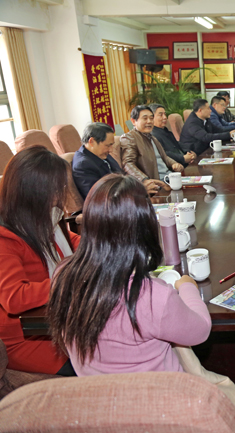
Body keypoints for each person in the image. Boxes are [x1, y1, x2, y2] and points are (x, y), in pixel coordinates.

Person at [48, 174, 210, 375]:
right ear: (146, 226)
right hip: (161, 392)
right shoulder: (152, 296)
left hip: (96, 393)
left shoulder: (62, 276)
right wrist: (188, 287)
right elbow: (201, 330)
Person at [0, 146, 80, 375]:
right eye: (56, 188)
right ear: (34, 192)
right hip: (29, 338)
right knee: (99, 362)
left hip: (58, 320)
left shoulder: (45, 218)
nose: (60, 194)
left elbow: (72, 242)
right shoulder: (5, 237)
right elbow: (14, 297)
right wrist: (68, 280)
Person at [73, 123, 163, 200]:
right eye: (108, 145)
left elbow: (121, 176)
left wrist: (142, 183)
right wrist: (139, 191)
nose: (111, 150)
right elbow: (100, 197)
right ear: (92, 141)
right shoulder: (83, 165)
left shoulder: (100, 153)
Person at [121, 105, 183, 182]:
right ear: (133, 121)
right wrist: (144, 180)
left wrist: (174, 163)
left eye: (151, 118)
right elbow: (128, 164)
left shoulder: (152, 137)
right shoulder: (129, 138)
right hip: (157, 182)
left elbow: (164, 157)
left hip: (169, 177)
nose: (149, 121)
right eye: (145, 118)